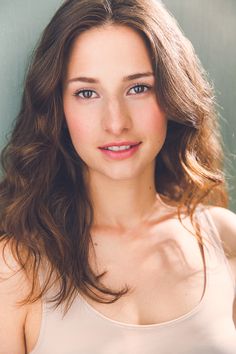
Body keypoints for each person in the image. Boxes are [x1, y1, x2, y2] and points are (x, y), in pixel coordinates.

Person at [0, 0, 236, 353]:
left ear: (172, 93)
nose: (116, 122)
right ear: (57, 108)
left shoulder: (225, 239)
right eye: (87, 93)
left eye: (138, 87)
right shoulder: (16, 267)